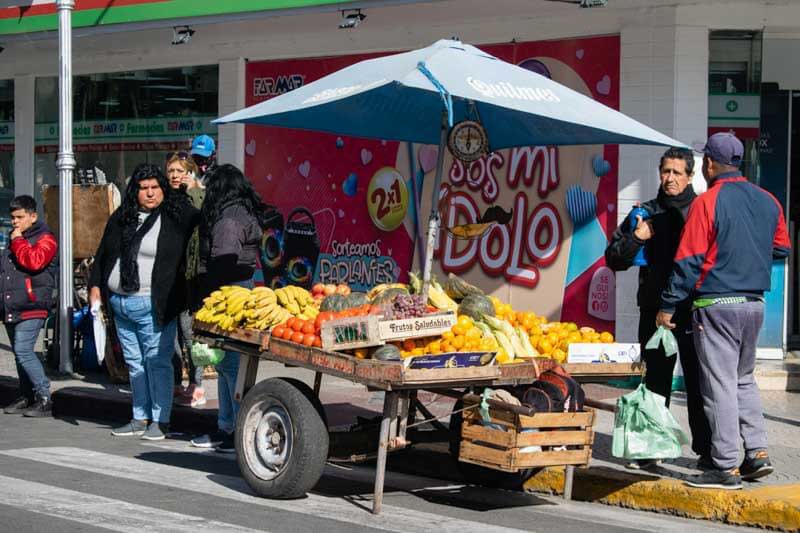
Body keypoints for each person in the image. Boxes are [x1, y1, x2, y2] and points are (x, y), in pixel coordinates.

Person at [656, 132, 791, 490]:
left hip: (715, 305)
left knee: (719, 386)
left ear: (709, 164)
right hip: (753, 305)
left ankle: (726, 465)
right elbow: (782, 249)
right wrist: (747, 251)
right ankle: (757, 453)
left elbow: (688, 260)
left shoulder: (707, 202)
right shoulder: (768, 201)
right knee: (744, 379)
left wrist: (668, 305)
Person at [605, 147, 711, 470]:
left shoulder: (700, 211)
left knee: (698, 381)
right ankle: (650, 449)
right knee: (655, 382)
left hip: (692, 311)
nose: (671, 178)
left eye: (678, 172)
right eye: (666, 171)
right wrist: (638, 237)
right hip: (654, 310)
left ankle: (707, 450)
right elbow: (614, 258)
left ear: (691, 176)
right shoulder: (645, 213)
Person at [89, 163, 199, 441]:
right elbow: (103, 254)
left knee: (157, 362)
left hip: (155, 304)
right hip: (121, 304)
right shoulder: (122, 217)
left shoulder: (176, 216)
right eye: (143, 188)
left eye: (155, 187)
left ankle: (161, 421)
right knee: (135, 364)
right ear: (134, 191)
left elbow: (201, 217)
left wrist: (194, 187)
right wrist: (95, 288)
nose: (149, 193)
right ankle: (140, 417)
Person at [190, 164, 265, 454]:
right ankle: (226, 426)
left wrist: (208, 296)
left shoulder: (230, 218)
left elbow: (225, 260)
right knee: (225, 365)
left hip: (229, 293)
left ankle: (234, 429)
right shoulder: (243, 210)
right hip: (240, 287)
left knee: (230, 366)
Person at [1, 195, 57, 417]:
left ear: (33, 217)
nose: (15, 222)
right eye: (12, 218)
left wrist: (17, 241)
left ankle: (45, 397)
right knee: (18, 353)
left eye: (20, 217)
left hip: (32, 305)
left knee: (24, 350)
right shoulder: (14, 239)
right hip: (12, 306)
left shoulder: (45, 238)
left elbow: (34, 262)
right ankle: (27, 395)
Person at [165, 152, 206, 407]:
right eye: (171, 171)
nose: (175, 176)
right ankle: (174, 381)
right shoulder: (163, 198)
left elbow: (201, 220)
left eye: (180, 171)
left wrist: (193, 191)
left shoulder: (199, 196)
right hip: (169, 277)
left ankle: (197, 384)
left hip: (190, 277)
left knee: (190, 334)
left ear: (190, 173)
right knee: (169, 337)